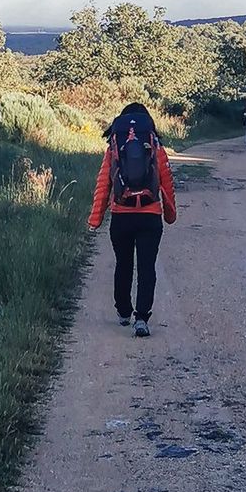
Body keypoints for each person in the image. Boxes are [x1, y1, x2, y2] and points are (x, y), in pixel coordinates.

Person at [88, 102, 176, 337]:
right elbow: (166, 182)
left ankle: (124, 311)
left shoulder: (114, 148)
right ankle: (142, 319)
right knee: (147, 267)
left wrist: (96, 219)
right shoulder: (155, 146)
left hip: (121, 216)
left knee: (123, 264)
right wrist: (170, 214)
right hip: (150, 217)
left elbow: (103, 184)